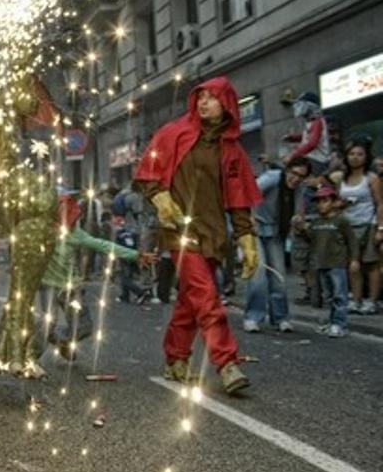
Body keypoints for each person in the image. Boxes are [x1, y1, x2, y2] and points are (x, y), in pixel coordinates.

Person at [134, 77, 261, 395]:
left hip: (214, 233)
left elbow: (238, 196)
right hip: (180, 231)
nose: (204, 103)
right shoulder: (173, 132)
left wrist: (246, 237)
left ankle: (175, 358)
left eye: (212, 98)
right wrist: (160, 198)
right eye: (200, 97)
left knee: (191, 302)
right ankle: (227, 363)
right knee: (207, 298)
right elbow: (149, 172)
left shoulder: (231, 150)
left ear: (227, 104)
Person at [40, 190, 156, 359]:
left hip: (71, 287)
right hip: (47, 286)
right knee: (46, 325)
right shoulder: (40, 230)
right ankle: (27, 361)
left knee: (84, 327)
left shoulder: (74, 233)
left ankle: (63, 341)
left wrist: (136, 255)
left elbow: (102, 245)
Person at [244, 158, 310, 333]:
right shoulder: (272, 178)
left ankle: (281, 317)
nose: (295, 179)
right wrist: (250, 218)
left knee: (279, 277)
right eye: (293, 173)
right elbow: (250, 192)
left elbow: (298, 211)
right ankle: (253, 316)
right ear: (287, 170)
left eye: (300, 176)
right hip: (256, 228)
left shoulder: (300, 189)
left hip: (276, 232)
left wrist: (298, 220)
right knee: (258, 274)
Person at [295, 184, 359, 337]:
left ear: (334, 202)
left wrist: (354, 260)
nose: (321, 205)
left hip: (337, 263)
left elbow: (352, 241)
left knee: (339, 295)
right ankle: (331, 322)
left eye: (325, 201)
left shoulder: (341, 221)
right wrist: (301, 229)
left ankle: (339, 323)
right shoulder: (316, 223)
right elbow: (311, 239)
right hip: (321, 263)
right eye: (318, 201)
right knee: (328, 296)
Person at [338, 139, 382, 314]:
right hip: (349, 226)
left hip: (369, 224)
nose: (355, 158)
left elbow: (380, 204)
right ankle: (355, 300)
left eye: (359, 154)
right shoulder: (342, 178)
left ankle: (372, 301)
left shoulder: (371, 178)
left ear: (366, 157)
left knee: (371, 264)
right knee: (353, 265)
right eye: (351, 154)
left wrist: (380, 229)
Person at [281, 91, 331, 175]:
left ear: (310, 106)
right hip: (314, 159)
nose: (297, 107)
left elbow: (311, 144)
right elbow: (308, 138)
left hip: (317, 161)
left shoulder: (316, 122)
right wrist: (293, 138)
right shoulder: (311, 122)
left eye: (301, 104)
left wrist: (293, 155)